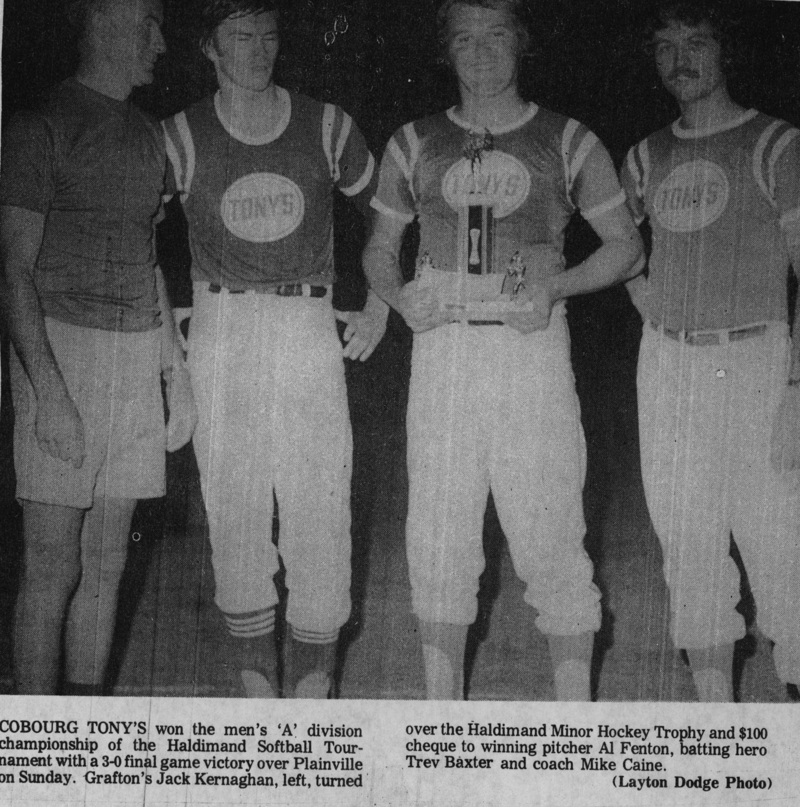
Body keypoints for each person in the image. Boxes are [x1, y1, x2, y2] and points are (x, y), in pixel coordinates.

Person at [364, 0, 642, 700]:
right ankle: (440, 715)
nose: (481, 53)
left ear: (522, 44)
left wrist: (557, 289)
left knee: (550, 525)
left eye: (496, 37)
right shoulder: (413, 139)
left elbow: (627, 248)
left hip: (530, 348)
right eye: (464, 39)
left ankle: (573, 718)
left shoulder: (568, 137)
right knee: (438, 526)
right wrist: (399, 296)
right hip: (445, 351)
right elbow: (376, 250)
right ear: (446, 51)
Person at [162, 0, 386, 699]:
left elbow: (394, 212)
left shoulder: (327, 123)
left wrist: (381, 304)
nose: (257, 48)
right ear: (209, 47)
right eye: (239, 34)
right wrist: (167, 336)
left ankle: (314, 695)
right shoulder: (179, 134)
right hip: (223, 328)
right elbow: (125, 230)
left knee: (320, 505)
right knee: (235, 510)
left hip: (306, 324)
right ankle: (261, 699)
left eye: (268, 33)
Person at [0, 0, 195, 695]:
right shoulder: (39, 125)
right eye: (151, 26)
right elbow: (12, 270)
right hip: (62, 350)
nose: (163, 43)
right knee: (54, 566)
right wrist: (48, 393)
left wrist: (176, 371)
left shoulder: (149, 137)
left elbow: (146, 259)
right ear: (111, 25)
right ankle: (37, 737)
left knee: (108, 562)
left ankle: (84, 728)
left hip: (135, 353)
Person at [620, 0, 800, 701]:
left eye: (694, 42)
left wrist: (796, 391)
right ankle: (714, 729)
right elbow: (610, 240)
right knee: (688, 546)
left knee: (781, 549)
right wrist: (640, 288)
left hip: (757, 358)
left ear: (726, 52)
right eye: (664, 48)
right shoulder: (644, 155)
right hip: (668, 362)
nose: (679, 60)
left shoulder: (776, 144)